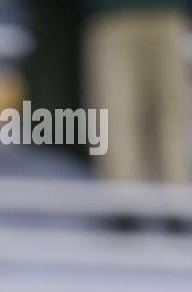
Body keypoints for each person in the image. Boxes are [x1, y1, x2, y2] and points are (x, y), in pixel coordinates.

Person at [81, 0, 191, 185]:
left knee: (173, 114)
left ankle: (177, 198)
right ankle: (123, 202)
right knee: (114, 115)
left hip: (168, 15)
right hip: (110, 17)